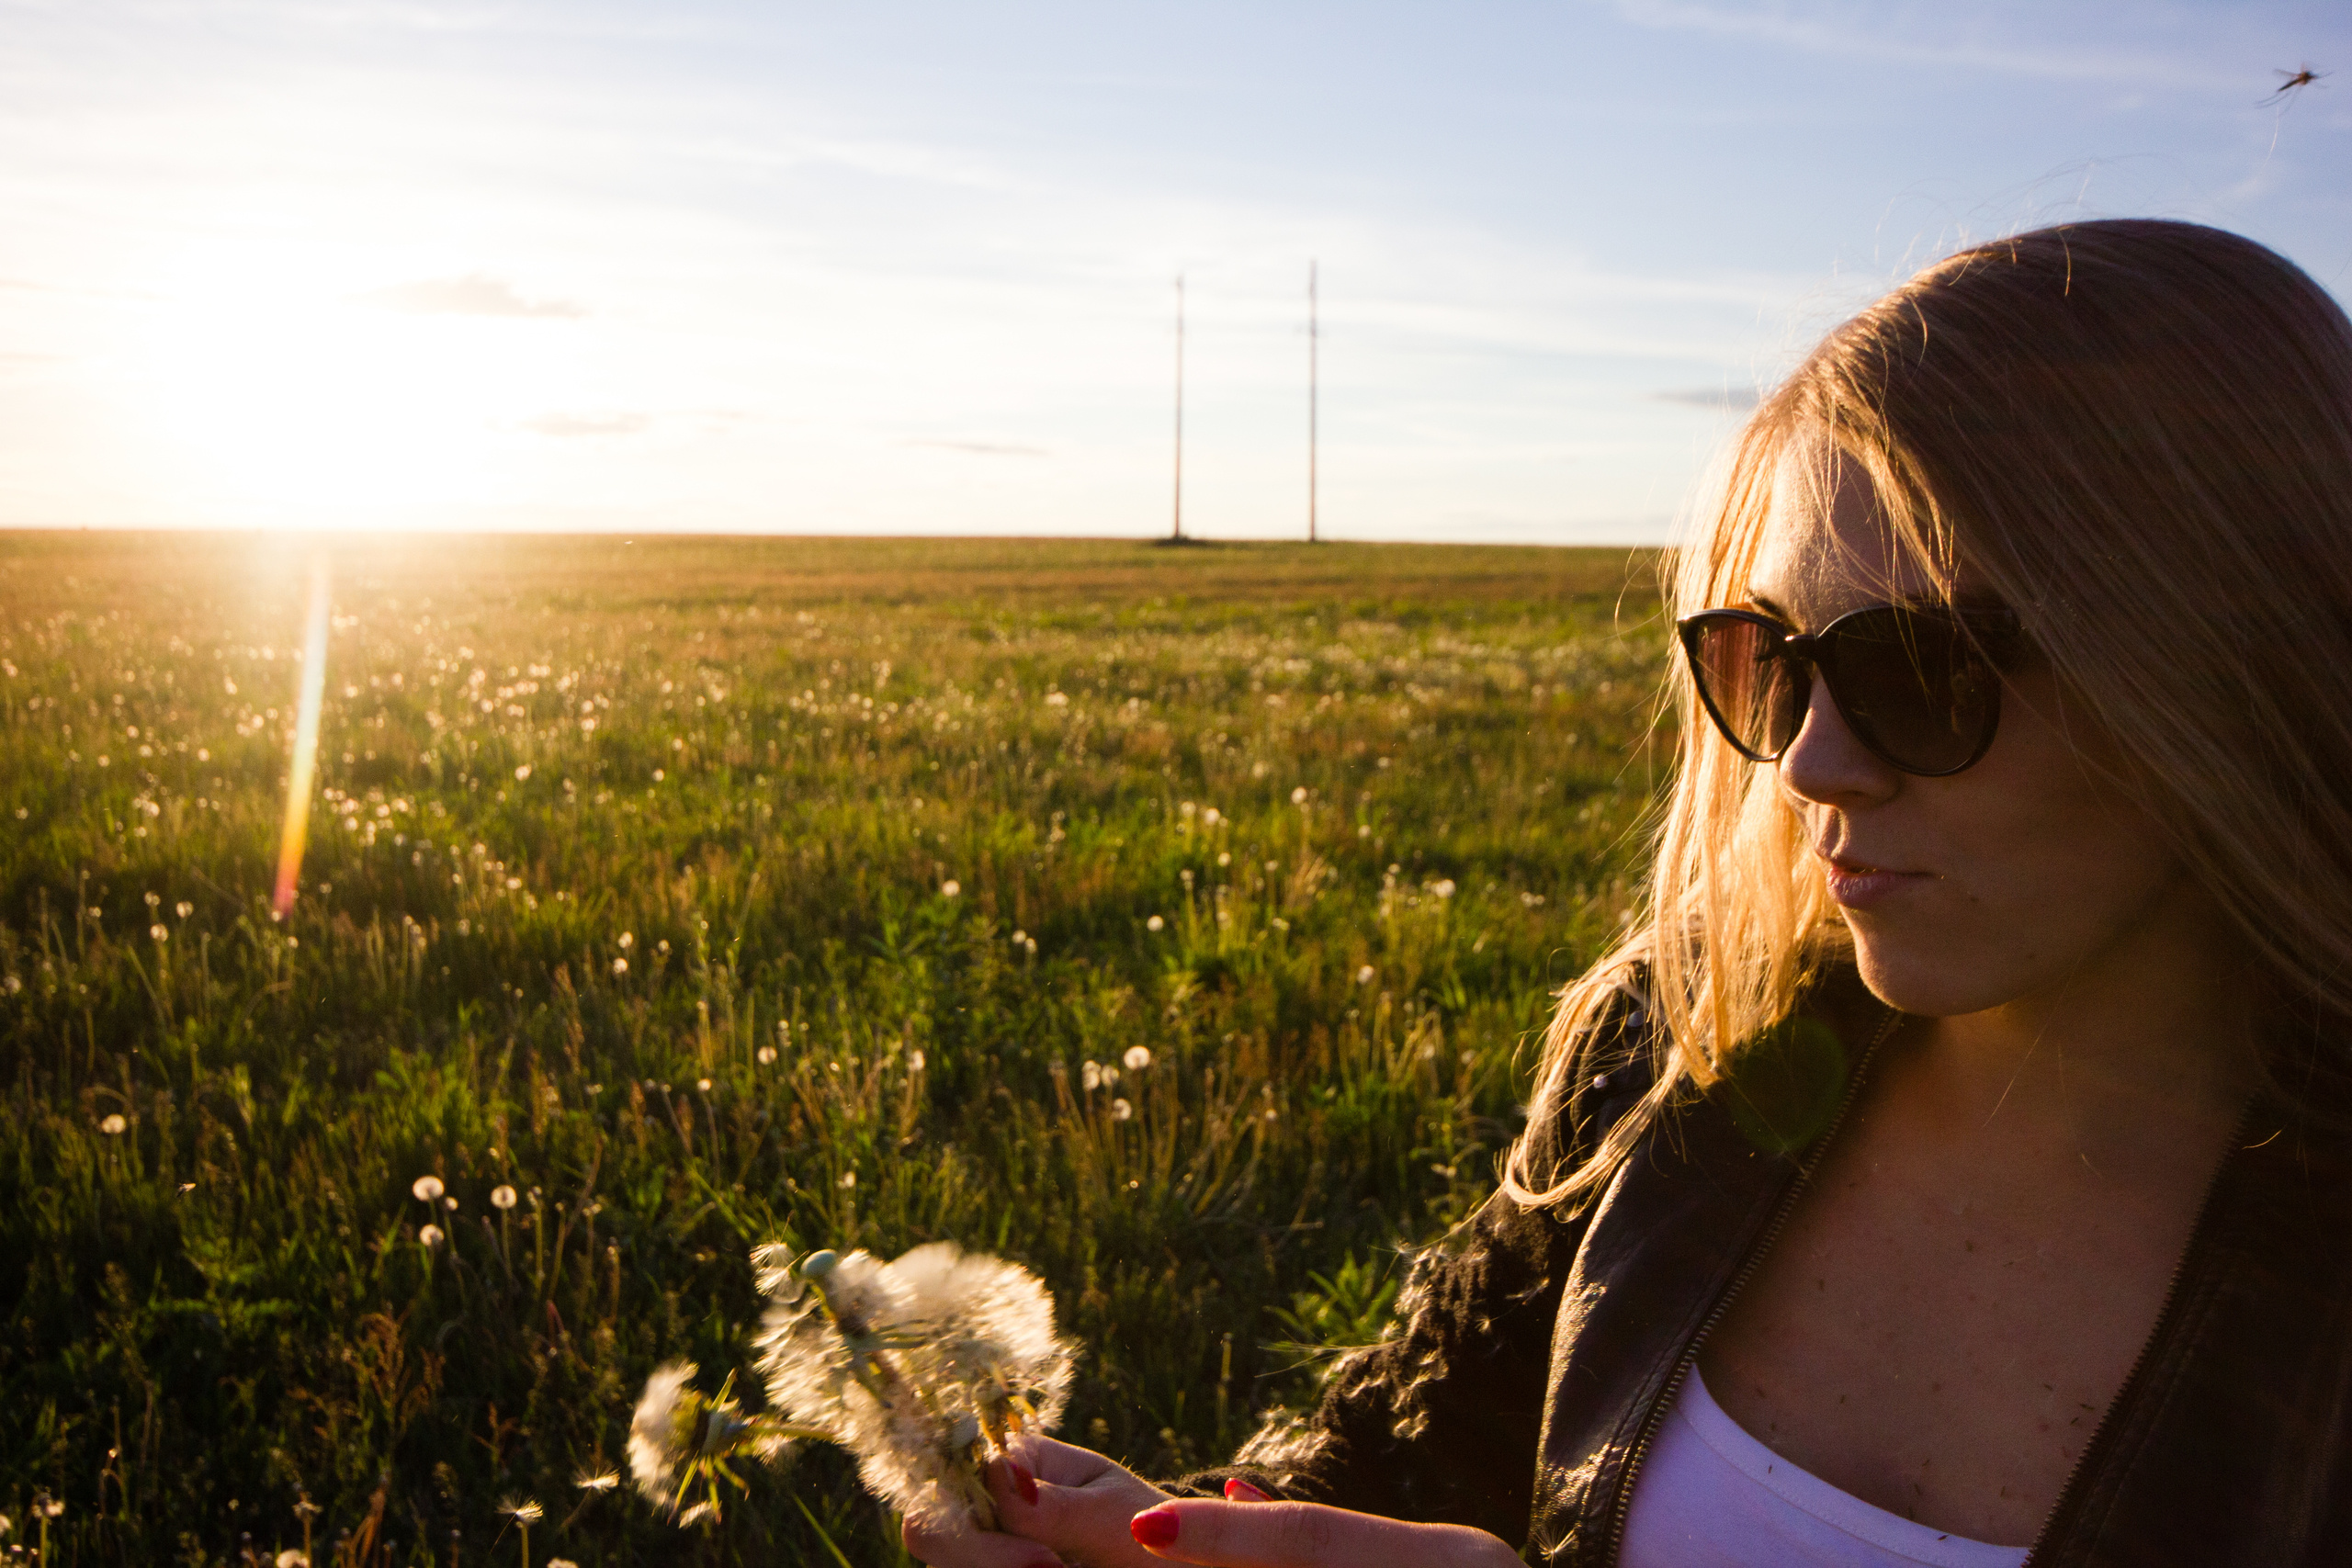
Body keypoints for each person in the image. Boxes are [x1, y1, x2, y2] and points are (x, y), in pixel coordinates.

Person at [907, 219, 2352, 1568]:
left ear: (2229, 681)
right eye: (1766, 659)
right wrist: (1203, 1532)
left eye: (1922, 673)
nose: (1807, 764)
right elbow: (1413, 1456)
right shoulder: (1686, 1048)